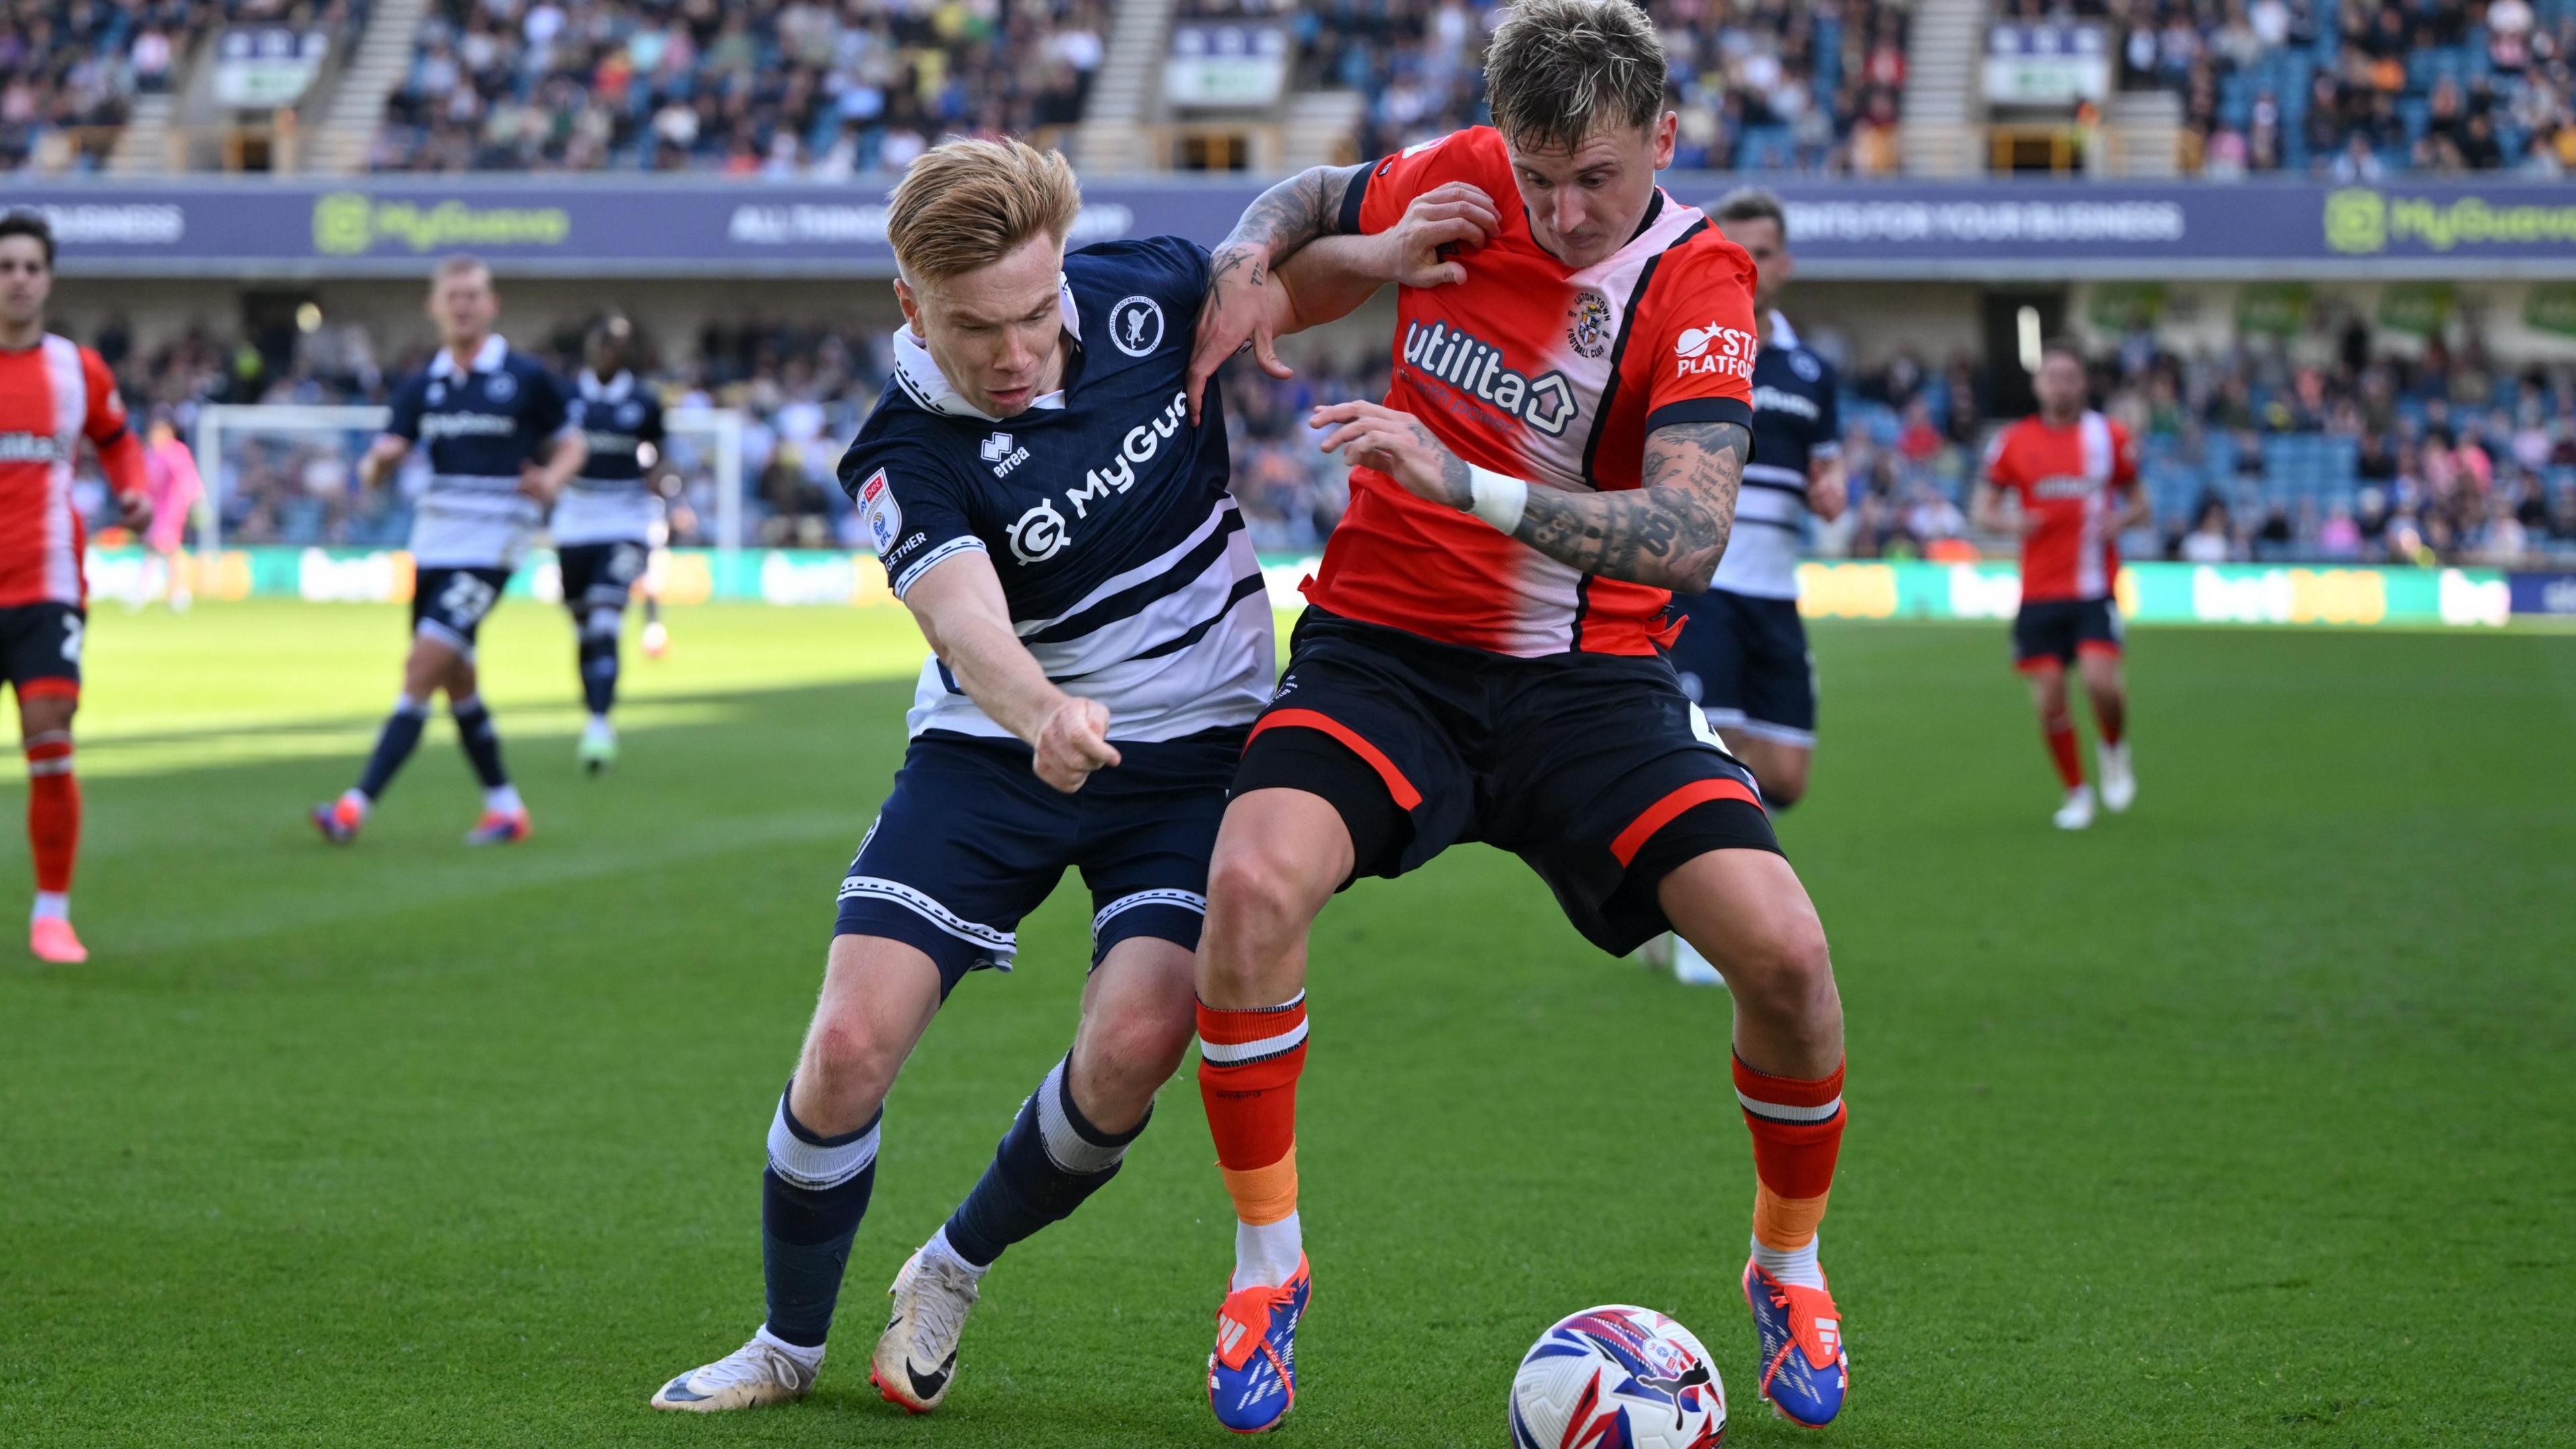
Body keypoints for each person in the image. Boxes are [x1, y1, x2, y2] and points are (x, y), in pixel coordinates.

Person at [647, 138, 1419, 1418]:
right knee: (844, 1046)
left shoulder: (1142, 293)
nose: (1013, 354)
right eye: (973, 328)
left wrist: (1382, 261)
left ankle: (954, 1264)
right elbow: (966, 627)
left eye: (1032, 314)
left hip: (1202, 754)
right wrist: (1043, 712)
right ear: (909, 305)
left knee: (1135, 1044)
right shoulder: (901, 452)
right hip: (997, 749)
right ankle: (786, 1346)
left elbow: (1281, 289)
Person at [1182, 0, 1851, 1431]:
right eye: (1537, 179)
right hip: (1383, 658)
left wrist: (1463, 482)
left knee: (1789, 958)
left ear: (1663, 139)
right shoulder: (1471, 170)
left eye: (1594, 180)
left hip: (1590, 693)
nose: (1555, 212)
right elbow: (1312, 195)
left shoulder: (1705, 285)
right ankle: (1267, 1268)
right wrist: (1251, 258)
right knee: (1244, 887)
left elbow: (1687, 537)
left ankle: (1785, 1263)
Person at [311, 255, 584, 846]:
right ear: (435, 307)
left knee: (421, 669)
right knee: (456, 681)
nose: (463, 305)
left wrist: (552, 480)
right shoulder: (422, 385)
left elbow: (573, 445)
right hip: (433, 546)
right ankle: (506, 809)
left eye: (473, 296)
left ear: (492, 305)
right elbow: (379, 463)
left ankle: (354, 807)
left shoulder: (524, 376)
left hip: (491, 548)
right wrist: (377, 463)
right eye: (452, 296)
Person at [1650, 188, 1846, 988]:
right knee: (1717, 759)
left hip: (1776, 591)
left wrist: (1834, 491)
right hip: (1706, 586)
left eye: (1763, 252)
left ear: (1785, 264)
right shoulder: (1691, 341)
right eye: (1736, 249)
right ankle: (1708, 927)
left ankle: (1657, 874)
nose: (1749, 265)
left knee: (1786, 775)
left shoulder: (1810, 371)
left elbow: (1826, 472)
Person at [0, 211, 150, 963]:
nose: (19, 279)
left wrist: (135, 492)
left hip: (44, 581)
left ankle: (51, 914)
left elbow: (119, 443)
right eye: (7, 267)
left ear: (49, 279)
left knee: (50, 738)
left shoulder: (77, 369)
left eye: (30, 266)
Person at [1970, 339, 2147, 830]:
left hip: (2094, 587)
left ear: (2083, 382)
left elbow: (2141, 502)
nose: (2061, 385)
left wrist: (2122, 519)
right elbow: (1982, 509)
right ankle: (2077, 793)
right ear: (2038, 383)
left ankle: (2113, 746)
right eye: (2053, 376)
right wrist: (2013, 523)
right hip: (2038, 593)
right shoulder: (2014, 441)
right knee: (2049, 697)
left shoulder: (2107, 436)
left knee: (2100, 685)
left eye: (2070, 376)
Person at [553, 314, 668, 773]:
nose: (608, 351)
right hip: (573, 521)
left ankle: (599, 723)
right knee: (584, 631)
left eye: (617, 344)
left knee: (605, 621)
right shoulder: (565, 397)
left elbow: (658, 454)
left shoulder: (643, 402)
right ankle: (595, 714)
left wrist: (666, 489)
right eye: (602, 343)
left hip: (625, 520)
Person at [139, 412, 203, 611]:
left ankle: (176, 593)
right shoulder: (151, 454)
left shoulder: (176, 453)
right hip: (155, 510)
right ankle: (168, 592)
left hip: (172, 509)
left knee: (167, 550)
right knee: (159, 550)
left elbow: (189, 478)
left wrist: (197, 500)